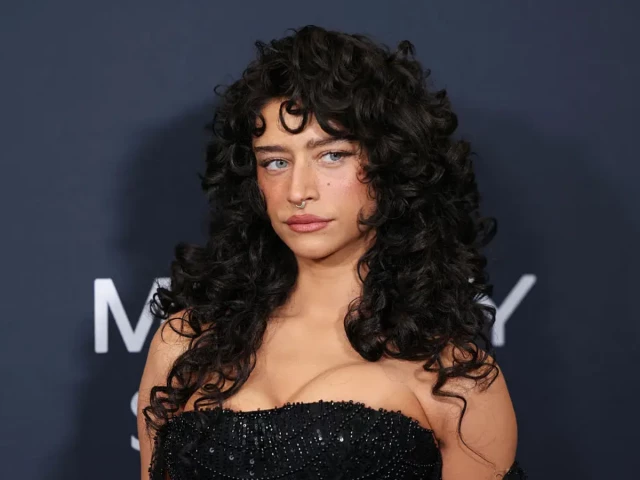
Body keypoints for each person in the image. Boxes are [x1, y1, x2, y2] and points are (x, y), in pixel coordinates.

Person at [136, 25, 527, 480]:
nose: (298, 191)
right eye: (276, 162)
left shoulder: (454, 380)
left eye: (332, 155)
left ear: (390, 165)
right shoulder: (186, 343)